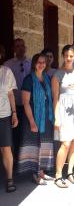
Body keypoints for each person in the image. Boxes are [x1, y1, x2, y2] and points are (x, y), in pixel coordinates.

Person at [52, 45, 74, 188]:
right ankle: (58, 175)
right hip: (64, 112)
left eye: (71, 56)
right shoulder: (57, 75)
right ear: (63, 56)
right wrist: (57, 117)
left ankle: (70, 172)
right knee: (65, 143)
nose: (68, 58)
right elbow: (55, 98)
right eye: (66, 55)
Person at [18, 53, 54, 185]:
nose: (41, 64)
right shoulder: (28, 79)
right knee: (34, 144)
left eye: (44, 62)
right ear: (34, 63)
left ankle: (41, 172)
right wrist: (32, 122)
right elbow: (26, 102)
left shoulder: (47, 78)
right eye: (39, 62)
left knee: (44, 143)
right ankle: (35, 173)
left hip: (46, 118)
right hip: (32, 117)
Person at [4, 38, 31, 168]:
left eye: (22, 45)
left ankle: (24, 161)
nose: (20, 48)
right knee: (14, 135)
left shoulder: (31, 63)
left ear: (25, 47)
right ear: (14, 49)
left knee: (25, 133)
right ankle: (13, 163)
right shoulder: (8, 65)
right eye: (17, 46)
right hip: (13, 106)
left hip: (27, 105)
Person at [0, 45, 18, 192]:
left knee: (6, 148)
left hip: (4, 115)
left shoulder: (6, 71)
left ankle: (10, 178)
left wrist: (14, 113)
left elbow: (10, 93)